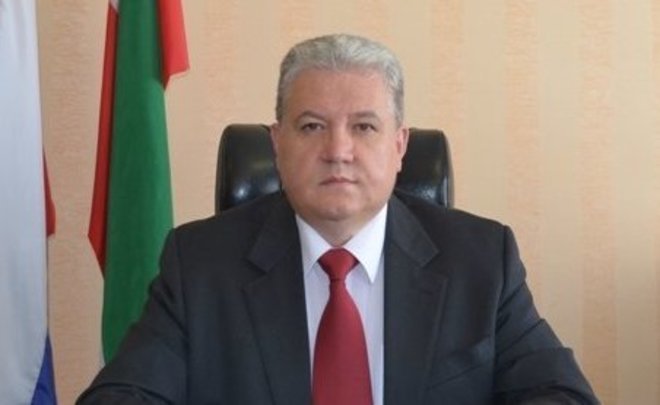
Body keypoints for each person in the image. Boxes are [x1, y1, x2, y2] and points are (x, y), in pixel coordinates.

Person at [78, 34, 598, 404]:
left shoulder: (481, 260)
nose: (338, 151)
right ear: (277, 144)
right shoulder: (199, 265)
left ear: (400, 146)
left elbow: (559, 393)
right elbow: (123, 395)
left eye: (365, 127)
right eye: (312, 126)